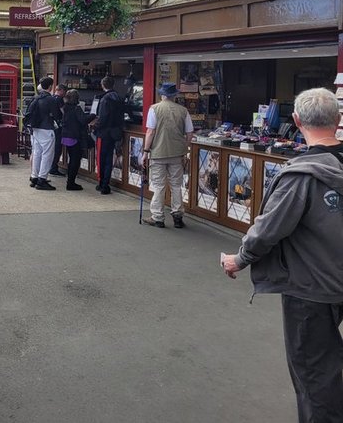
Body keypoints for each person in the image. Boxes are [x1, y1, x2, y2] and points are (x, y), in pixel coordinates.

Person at [221, 87, 343, 422]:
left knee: (313, 374)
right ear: (338, 120)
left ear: (296, 121)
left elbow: (269, 229)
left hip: (311, 287)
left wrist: (239, 258)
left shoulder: (300, 175)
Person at [141, 82, 194, 228]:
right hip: (177, 153)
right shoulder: (183, 111)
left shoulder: (154, 109)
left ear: (162, 94)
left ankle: (158, 217)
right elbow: (190, 133)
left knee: (158, 185)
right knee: (176, 185)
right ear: (174, 95)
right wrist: (185, 147)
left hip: (158, 152)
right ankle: (177, 215)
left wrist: (145, 152)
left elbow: (150, 131)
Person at [94, 75, 125, 194]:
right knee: (109, 159)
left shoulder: (104, 99)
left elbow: (103, 117)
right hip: (116, 132)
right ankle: (106, 182)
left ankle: (102, 184)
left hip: (104, 132)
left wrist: (95, 127)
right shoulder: (119, 98)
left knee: (101, 159)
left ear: (102, 85)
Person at [60, 89, 96, 191]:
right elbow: (83, 120)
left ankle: (70, 181)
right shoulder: (76, 108)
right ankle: (71, 183)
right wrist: (93, 114)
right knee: (75, 161)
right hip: (74, 137)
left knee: (71, 159)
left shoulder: (65, 108)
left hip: (65, 136)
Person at [26, 77, 57, 190]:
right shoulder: (50, 99)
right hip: (47, 128)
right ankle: (42, 179)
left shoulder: (36, 97)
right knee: (47, 155)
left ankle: (34, 177)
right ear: (50, 86)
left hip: (35, 129)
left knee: (37, 153)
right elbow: (57, 115)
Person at [49, 84, 66, 176]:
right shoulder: (59, 99)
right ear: (61, 90)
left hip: (52, 125)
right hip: (59, 126)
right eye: (65, 91)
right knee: (58, 147)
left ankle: (51, 166)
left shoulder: (51, 98)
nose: (65, 94)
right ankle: (54, 167)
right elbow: (64, 112)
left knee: (53, 147)